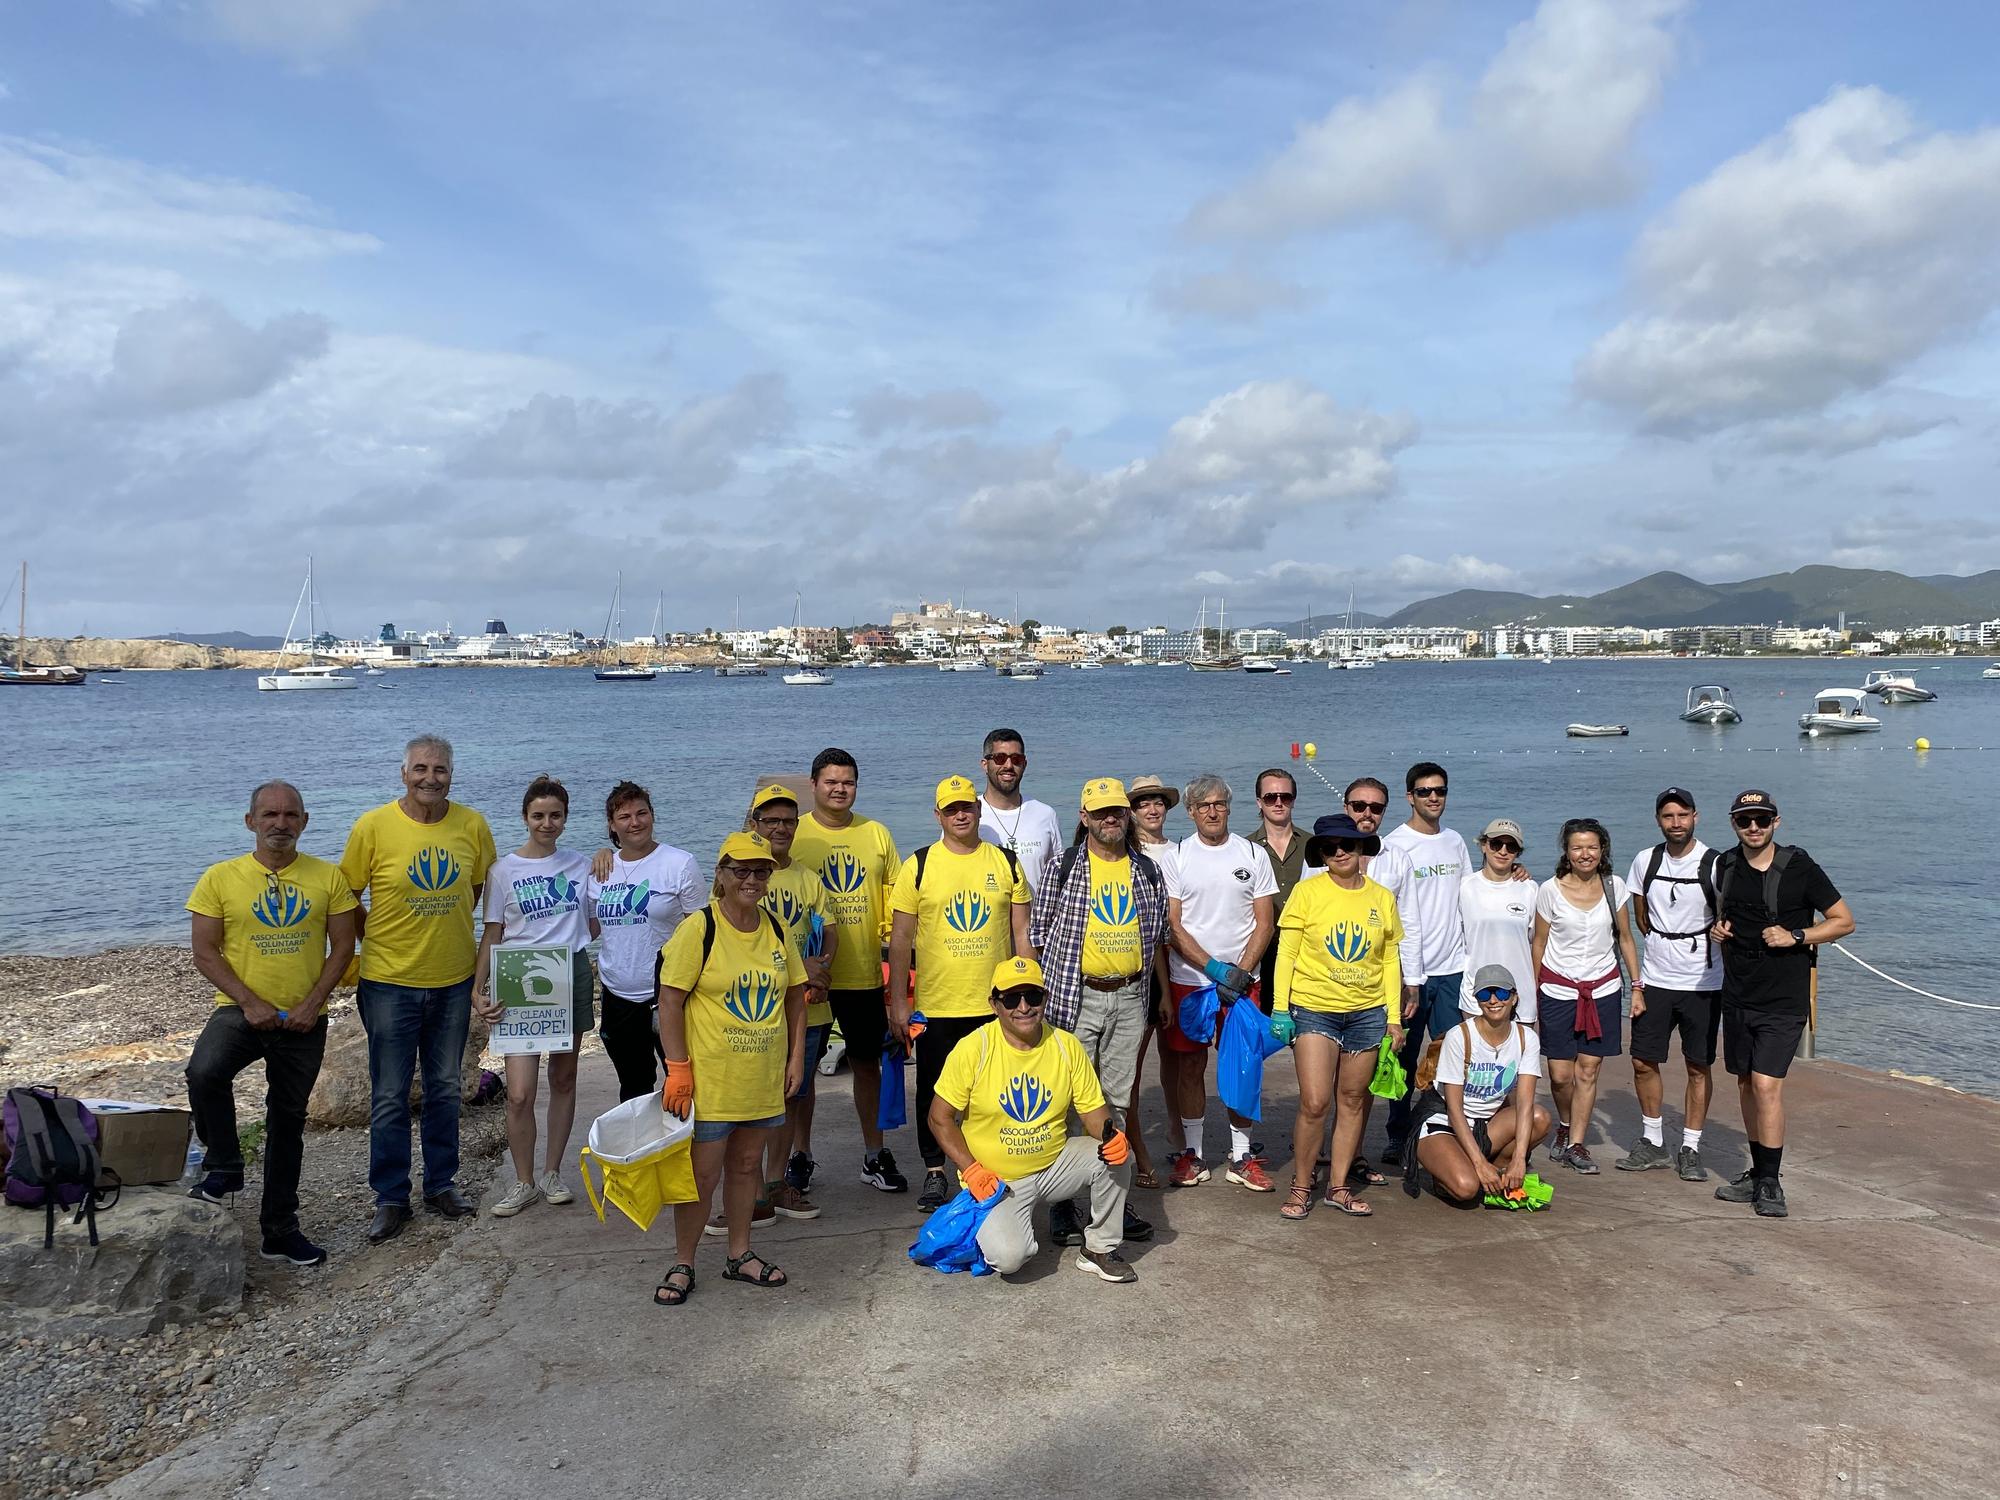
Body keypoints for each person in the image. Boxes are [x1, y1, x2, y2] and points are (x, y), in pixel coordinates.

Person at [184, 781, 358, 1267]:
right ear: (250, 821)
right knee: (204, 1073)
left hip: (306, 1018)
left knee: (288, 1121)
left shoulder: (327, 877)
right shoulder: (220, 878)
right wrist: (249, 1001)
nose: (279, 823)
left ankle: (280, 1230)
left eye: (289, 815)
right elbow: (204, 951)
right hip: (240, 1012)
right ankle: (223, 1164)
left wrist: (313, 1003)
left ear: (304, 821)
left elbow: (343, 947)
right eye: (269, 815)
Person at [339, 735, 497, 1243]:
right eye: (421, 769)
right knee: (388, 1094)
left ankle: (441, 1185)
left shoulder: (471, 825)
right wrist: (374, 937)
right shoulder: (373, 826)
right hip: (387, 982)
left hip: (452, 980)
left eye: (441, 770)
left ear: (452, 774)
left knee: (445, 1087)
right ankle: (390, 1198)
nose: (431, 778)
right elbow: (346, 896)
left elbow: (478, 890)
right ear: (403, 773)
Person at [652, 832, 807, 1305]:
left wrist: (796, 1057)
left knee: (746, 1167)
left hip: (761, 1077)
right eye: (741, 870)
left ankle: (740, 1254)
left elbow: (797, 996)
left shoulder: (777, 929)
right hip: (711, 1079)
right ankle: (684, 1261)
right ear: (720, 874)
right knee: (702, 1175)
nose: (752, 879)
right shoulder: (700, 928)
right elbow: (670, 1000)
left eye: (761, 871)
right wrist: (678, 1069)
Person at [928, 957, 1136, 1283]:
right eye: (1011, 998)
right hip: (997, 1181)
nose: (1023, 1007)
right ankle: (985, 1220)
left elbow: (1093, 1112)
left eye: (1033, 997)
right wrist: (971, 1168)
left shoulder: (1066, 1046)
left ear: (1046, 999)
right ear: (994, 1004)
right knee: (1010, 1259)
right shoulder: (974, 1049)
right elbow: (939, 1118)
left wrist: (1111, 1137)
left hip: (1054, 1165)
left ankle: (1099, 1248)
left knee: (1118, 1155)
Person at [1028, 778, 1169, 1247]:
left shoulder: (1147, 871)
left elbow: (1157, 940)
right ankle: (1065, 1202)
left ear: (1127, 816)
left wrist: (1160, 996)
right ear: (1084, 817)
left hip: (1130, 998)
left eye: (1118, 811)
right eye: (1101, 811)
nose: (1112, 818)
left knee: (1118, 1102)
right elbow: (1038, 934)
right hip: (1076, 997)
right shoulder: (1062, 868)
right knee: (1071, 1103)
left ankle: (1107, 1201)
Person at [888, 775, 1034, 1211]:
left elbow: (1022, 932)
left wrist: (1030, 993)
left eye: (966, 806)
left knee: (993, 1092)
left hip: (996, 1005)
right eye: (950, 808)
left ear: (977, 808)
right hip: (936, 1005)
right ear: (938, 814)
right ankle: (935, 1171)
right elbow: (900, 940)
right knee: (934, 1092)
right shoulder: (918, 864)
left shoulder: (1005, 862)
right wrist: (899, 1001)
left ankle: (989, 1163)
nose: (960, 814)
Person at [1708, 790, 1854, 1219]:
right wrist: (1719, 931)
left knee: (1768, 1084)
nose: (1753, 827)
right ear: (1734, 823)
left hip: (1783, 998)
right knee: (1746, 1084)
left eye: (1762, 819)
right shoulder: (1726, 865)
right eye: (1744, 820)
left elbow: (1844, 921)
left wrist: (1796, 936)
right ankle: (1756, 1172)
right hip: (1738, 993)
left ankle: (1771, 1182)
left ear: (1776, 822)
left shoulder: (1800, 868)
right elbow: (1726, 916)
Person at [472, 776, 600, 1217]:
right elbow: (493, 932)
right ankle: (523, 1181)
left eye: (556, 815)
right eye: (539, 815)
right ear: (525, 818)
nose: (548, 823)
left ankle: (551, 1173)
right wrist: (478, 988)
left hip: (568, 975)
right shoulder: (502, 871)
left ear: (566, 818)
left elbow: (600, 915)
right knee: (520, 1093)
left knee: (564, 1080)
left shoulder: (582, 864)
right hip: (517, 978)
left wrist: (607, 853)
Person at [1273, 813, 1405, 1221]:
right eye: (1330, 847)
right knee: (1315, 1102)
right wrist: (1281, 1008)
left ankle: (1339, 1186)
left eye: (1347, 844)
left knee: (1352, 1102)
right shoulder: (1306, 892)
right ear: (1322, 854)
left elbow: (1390, 958)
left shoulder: (1381, 897)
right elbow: (1287, 954)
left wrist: (1394, 1017)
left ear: (1362, 848)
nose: (1340, 852)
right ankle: (1300, 1185)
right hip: (1314, 1009)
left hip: (1367, 1013)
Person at [789, 748, 906, 1193]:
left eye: (848, 782)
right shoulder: (793, 833)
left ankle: (874, 1154)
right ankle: (800, 1154)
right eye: (831, 781)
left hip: (860, 972)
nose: (840, 789)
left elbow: (899, 905)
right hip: (810, 976)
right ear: (814, 784)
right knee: (801, 1070)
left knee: (866, 1065)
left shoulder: (876, 834)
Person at [1162, 774, 1278, 1191]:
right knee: (1191, 1066)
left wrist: (1241, 972)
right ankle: (1193, 1154)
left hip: (1243, 983)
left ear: (1230, 808)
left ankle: (1242, 1157)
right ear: (1191, 812)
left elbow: (1265, 922)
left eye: (1220, 804)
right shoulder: (1176, 856)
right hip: (1192, 982)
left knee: (1243, 1066)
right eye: (1204, 805)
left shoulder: (1253, 853)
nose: (1213, 812)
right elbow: (1173, 926)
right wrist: (1215, 970)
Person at [1617, 787, 1724, 1181]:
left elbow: (1726, 915)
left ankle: (1691, 1147)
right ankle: (1653, 1141)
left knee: (1698, 1065)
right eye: (1668, 816)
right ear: (1658, 820)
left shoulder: (1714, 863)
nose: (1676, 823)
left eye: (1682, 815)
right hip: (1657, 979)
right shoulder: (1646, 860)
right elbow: (1640, 914)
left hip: (1704, 982)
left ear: (1695, 816)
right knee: (1643, 1060)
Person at [1530, 818, 1642, 1175]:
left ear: (1603, 850)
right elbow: (1539, 943)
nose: (1585, 854)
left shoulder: (1615, 886)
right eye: (1577, 847)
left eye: (1592, 847)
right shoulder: (1548, 889)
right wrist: (1532, 995)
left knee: (1589, 1069)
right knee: (1560, 1075)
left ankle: (1577, 1143)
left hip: (1603, 989)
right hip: (1558, 990)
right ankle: (1564, 1125)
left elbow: (1625, 938)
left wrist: (1637, 987)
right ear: (1566, 851)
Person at [748, 783, 837, 1219]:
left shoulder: (807, 878)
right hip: (759, 1011)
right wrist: (799, 965)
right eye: (771, 820)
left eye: (788, 820)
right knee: (760, 1096)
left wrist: (821, 968)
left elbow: (828, 928)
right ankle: (753, 1185)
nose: (780, 828)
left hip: (808, 1005)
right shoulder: (745, 873)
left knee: (794, 1092)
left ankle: (776, 1182)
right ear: (755, 824)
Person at [586, 781, 703, 1102]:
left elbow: (702, 933)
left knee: (683, 1084)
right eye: (624, 816)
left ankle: (687, 1150)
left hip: (670, 993)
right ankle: (642, 1151)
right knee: (634, 1086)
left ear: (652, 816)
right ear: (611, 824)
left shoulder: (679, 863)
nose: (635, 822)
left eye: (642, 813)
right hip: (618, 996)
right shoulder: (599, 870)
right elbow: (588, 929)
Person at [1336, 777, 1422, 1174]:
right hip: (1328, 984)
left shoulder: (1397, 857)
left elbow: (1412, 926)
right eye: (1358, 805)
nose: (1366, 813)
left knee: (1364, 1075)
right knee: (1324, 1082)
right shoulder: (1325, 852)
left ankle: (1352, 1154)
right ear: (1346, 806)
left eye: (1376, 807)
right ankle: (1327, 1149)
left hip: (1375, 988)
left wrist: (1412, 984)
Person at [1416, 965, 1550, 1205]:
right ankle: (1454, 1169)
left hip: (1485, 1125)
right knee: (1467, 1189)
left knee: (1540, 1117)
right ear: (1476, 1000)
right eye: (1484, 994)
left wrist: (1520, 1159)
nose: (1493, 1000)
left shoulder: (1526, 1038)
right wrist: (1479, 1163)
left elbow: (1526, 1104)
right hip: (1444, 1121)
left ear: (1514, 997)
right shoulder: (1460, 1036)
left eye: (1501, 993)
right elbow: (1454, 1110)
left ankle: (1496, 1170)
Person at [1381, 763, 1472, 1110]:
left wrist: (1513, 873)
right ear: (1410, 797)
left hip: (1452, 967)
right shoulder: (1393, 845)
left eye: (1440, 790)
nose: (1433, 797)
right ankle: (1398, 1131)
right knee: (1403, 1054)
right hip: (1410, 972)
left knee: (1449, 1053)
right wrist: (1402, 974)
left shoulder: (1455, 841)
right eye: (1424, 791)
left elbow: (1470, 894)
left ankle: (1438, 1121)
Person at [1124, 774, 1182, 1189]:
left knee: (1179, 1063)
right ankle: (1136, 1151)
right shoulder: (1125, 854)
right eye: (1143, 802)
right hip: (1146, 969)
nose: (1152, 808)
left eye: (1158, 801)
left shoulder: (1181, 852)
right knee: (1131, 1071)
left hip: (1185, 970)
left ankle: (1182, 1144)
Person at [1457, 820, 1538, 1029]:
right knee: (1476, 1060)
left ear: (1518, 852)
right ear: (1483, 845)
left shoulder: (1529, 888)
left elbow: (1538, 943)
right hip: (1477, 993)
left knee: (1518, 1059)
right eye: (1496, 844)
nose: (1503, 851)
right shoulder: (1465, 886)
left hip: (1520, 994)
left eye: (1510, 847)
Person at [976, 729, 1063, 895]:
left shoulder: (1045, 815)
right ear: (985, 765)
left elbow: (1057, 877)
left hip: (1037, 919)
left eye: (1016, 759)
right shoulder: (968, 816)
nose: (1008, 766)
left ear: (1024, 764)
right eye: (1000, 758)